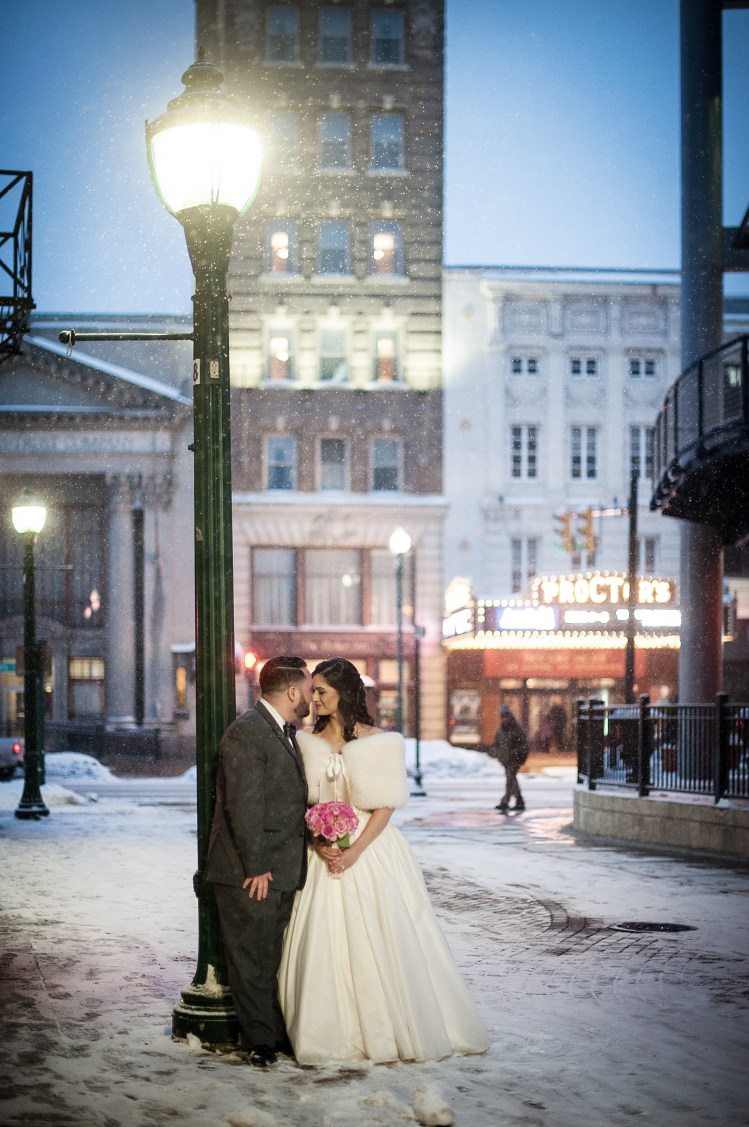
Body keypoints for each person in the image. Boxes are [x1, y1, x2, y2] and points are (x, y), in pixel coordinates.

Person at [278, 657, 489, 1066]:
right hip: (323, 851)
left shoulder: (382, 742)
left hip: (370, 849)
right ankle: (328, 1032)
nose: (314, 698)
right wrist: (318, 841)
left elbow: (386, 805)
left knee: (382, 934)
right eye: (312, 690)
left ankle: (391, 1026)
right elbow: (300, 803)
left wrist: (355, 851)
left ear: (345, 694)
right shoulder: (305, 742)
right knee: (324, 939)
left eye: (322, 691)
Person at [205, 656, 313, 1068]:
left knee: (267, 957)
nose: (310, 698)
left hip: (276, 868)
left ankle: (270, 1034)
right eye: (306, 689)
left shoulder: (280, 731)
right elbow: (244, 805)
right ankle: (260, 1043)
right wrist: (256, 867)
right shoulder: (247, 733)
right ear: (291, 693)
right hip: (251, 872)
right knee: (251, 959)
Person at [491, 704, 528, 813]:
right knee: (511, 780)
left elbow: (523, 745)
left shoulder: (516, 730)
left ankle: (508, 801)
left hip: (514, 759)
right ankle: (517, 801)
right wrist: (498, 753)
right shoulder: (501, 730)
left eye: (506, 716)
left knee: (510, 779)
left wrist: (515, 753)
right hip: (505, 759)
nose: (504, 719)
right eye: (503, 717)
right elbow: (497, 743)